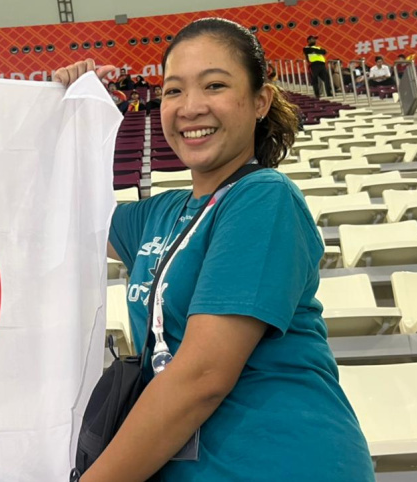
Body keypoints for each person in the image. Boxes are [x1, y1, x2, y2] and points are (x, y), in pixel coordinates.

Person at [54, 17, 374, 482]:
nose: (191, 107)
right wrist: (70, 114)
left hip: (279, 464)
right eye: (174, 90)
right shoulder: (158, 214)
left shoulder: (264, 197)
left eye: (215, 85)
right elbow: (57, 216)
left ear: (261, 101)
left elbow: (202, 377)